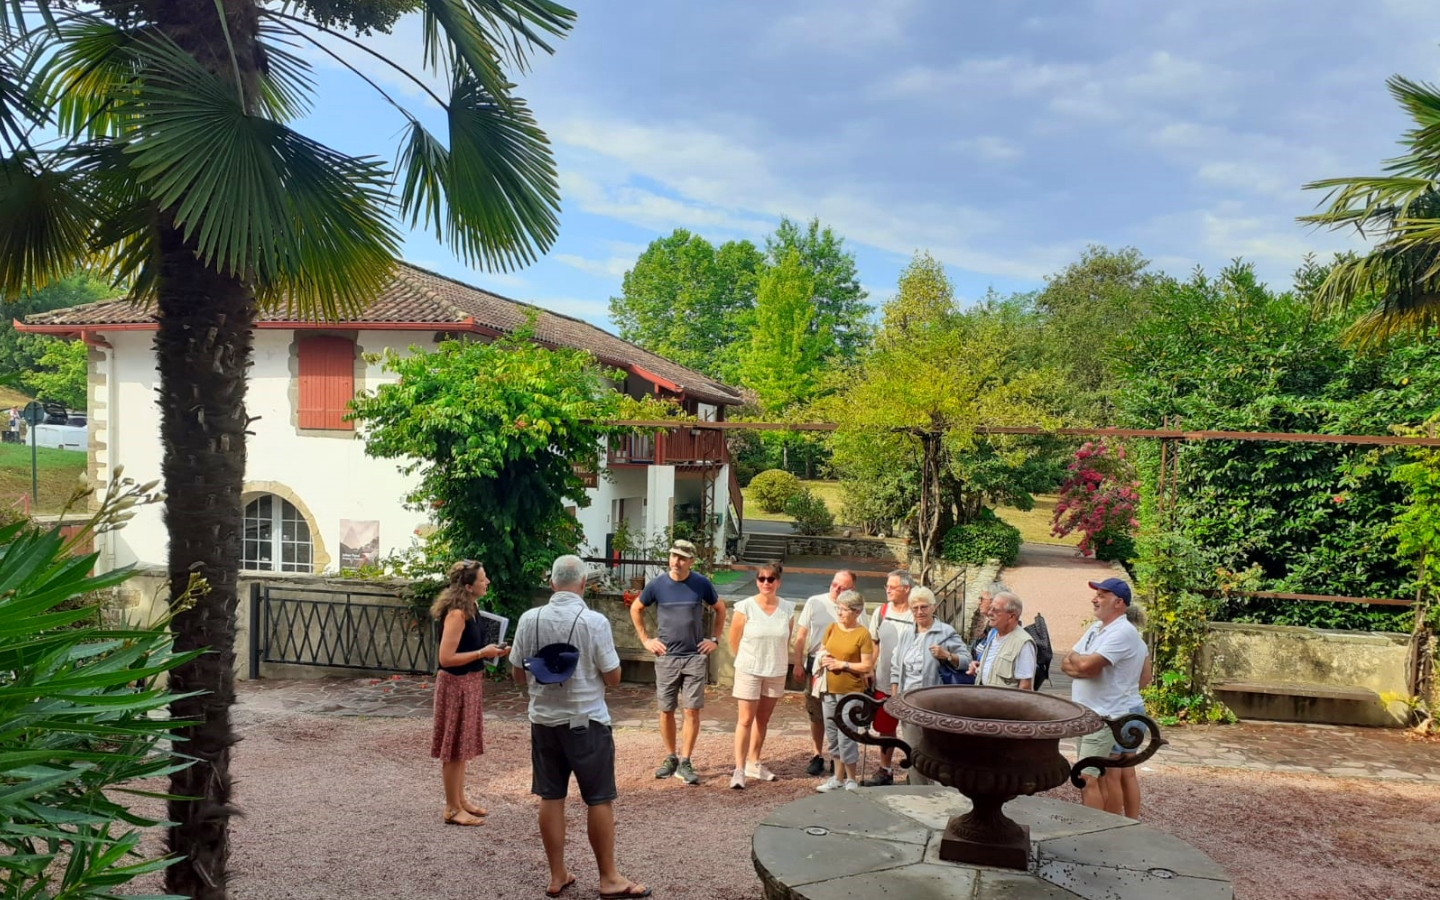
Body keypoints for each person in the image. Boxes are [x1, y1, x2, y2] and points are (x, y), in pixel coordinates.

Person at [510, 555, 650, 900]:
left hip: (543, 721)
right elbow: (614, 678)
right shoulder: (594, 621)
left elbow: (516, 675)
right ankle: (609, 878)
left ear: (552, 583)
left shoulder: (530, 619)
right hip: (586, 721)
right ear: (584, 584)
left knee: (550, 796)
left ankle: (557, 875)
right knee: (599, 798)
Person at [630, 538, 725, 786]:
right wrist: (646, 640)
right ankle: (670, 757)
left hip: (694, 657)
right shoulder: (657, 585)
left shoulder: (701, 584)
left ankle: (686, 760)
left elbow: (720, 609)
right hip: (667, 657)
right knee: (666, 709)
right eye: (673, 556)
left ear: (691, 561)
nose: (676, 561)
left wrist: (714, 639)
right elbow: (636, 608)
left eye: (682, 557)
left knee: (692, 710)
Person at [1061, 577, 1150, 818]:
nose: (1094, 599)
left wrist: (1083, 666)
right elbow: (1065, 662)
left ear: (1119, 602)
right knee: (1103, 774)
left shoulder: (1123, 633)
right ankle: (1120, 826)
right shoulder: (1096, 629)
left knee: (1092, 775)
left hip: (1108, 715)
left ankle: (1102, 831)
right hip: (1094, 713)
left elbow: (1086, 664)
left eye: (1101, 595)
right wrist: (1084, 667)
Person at [430, 560, 507, 826]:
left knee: (462, 746)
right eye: (483, 579)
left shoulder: (471, 608)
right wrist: (480, 653)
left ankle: (460, 800)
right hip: (455, 685)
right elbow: (446, 658)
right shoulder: (456, 614)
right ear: (467, 586)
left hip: (470, 683)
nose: (487, 582)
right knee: (453, 748)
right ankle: (451, 808)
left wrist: (491, 652)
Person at [888, 587, 969, 785]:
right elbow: (896, 666)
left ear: (933, 607)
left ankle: (938, 794)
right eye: (915, 608)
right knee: (913, 751)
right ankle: (918, 793)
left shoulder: (945, 632)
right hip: (908, 703)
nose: (919, 611)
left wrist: (947, 655)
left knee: (936, 753)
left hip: (934, 704)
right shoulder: (907, 633)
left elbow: (967, 660)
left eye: (924, 607)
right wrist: (894, 697)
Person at [727, 562, 795, 789]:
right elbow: (733, 640)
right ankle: (738, 768)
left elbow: (786, 639)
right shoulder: (744, 607)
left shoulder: (787, 608)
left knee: (763, 720)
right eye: (761, 579)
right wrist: (748, 661)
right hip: (749, 669)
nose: (766, 583)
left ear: (778, 582)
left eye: (771, 579)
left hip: (775, 670)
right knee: (745, 720)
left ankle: (754, 762)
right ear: (756, 581)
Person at [791, 569, 856, 777]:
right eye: (834, 584)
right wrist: (798, 663)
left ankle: (839, 759)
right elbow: (801, 636)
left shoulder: (855, 608)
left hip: (843, 667)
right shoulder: (814, 602)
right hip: (816, 665)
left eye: (842, 587)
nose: (836, 589)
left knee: (841, 714)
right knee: (816, 713)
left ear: (851, 589)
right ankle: (817, 754)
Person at [814, 589, 874, 792]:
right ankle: (837, 777)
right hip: (829, 689)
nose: (839, 613)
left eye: (844, 610)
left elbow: (866, 666)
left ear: (856, 612)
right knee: (832, 734)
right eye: (838, 608)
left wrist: (843, 664)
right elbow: (821, 651)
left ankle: (851, 778)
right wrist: (823, 659)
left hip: (850, 691)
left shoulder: (862, 634)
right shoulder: (831, 628)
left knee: (847, 734)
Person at [861, 569, 915, 786]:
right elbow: (875, 642)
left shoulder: (916, 614)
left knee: (913, 729)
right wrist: (870, 668)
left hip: (910, 683)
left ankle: (915, 771)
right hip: (884, 680)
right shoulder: (881, 612)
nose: (888, 590)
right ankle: (885, 769)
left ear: (906, 588)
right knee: (885, 727)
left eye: (892, 587)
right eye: (887, 586)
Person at [968, 591, 1037, 690]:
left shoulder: (1023, 643)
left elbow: (1025, 685)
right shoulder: (993, 633)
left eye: (996, 610)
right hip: (985, 700)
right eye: (991, 608)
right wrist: (981, 667)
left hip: (1004, 703)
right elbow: (996, 664)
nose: (990, 612)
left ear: (1011, 616)